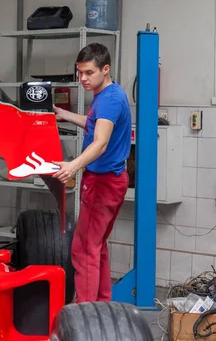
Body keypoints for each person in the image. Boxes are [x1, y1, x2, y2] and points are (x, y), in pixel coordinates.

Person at [52, 42, 131, 303]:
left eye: (89, 73)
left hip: (102, 183)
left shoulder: (108, 100)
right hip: (112, 181)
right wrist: (65, 114)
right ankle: (101, 305)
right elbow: (94, 123)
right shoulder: (112, 93)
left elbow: (100, 142)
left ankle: (84, 315)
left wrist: (73, 166)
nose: (82, 79)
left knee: (84, 249)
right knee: (97, 247)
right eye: (79, 72)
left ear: (105, 69)